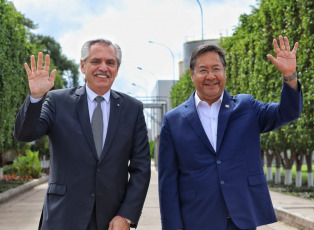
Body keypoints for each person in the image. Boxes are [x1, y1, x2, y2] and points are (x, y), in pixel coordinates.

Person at [158, 36, 303, 230]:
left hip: (241, 219)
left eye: (216, 68)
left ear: (224, 72)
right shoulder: (173, 120)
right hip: (197, 220)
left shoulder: (247, 107)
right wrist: (173, 226)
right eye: (203, 70)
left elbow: (288, 112)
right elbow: (168, 181)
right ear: (192, 73)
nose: (211, 76)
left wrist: (290, 76)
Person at [14, 38, 151, 230]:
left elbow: (141, 168)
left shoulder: (132, 109)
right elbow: (24, 134)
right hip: (62, 217)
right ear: (82, 66)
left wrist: (126, 215)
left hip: (111, 220)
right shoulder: (57, 101)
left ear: (117, 69)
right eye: (96, 61)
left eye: (110, 62)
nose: (103, 67)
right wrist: (36, 97)